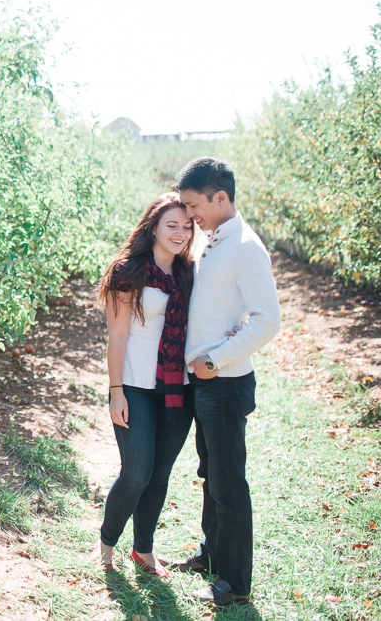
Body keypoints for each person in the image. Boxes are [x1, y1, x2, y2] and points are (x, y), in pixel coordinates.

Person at [171, 157, 281, 606]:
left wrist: (213, 361)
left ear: (221, 197)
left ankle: (234, 583)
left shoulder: (246, 247)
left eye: (194, 205)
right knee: (209, 473)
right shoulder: (215, 240)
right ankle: (212, 554)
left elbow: (268, 321)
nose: (189, 215)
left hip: (224, 382)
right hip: (205, 383)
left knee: (228, 481)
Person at [91, 192, 196, 577]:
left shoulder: (187, 273)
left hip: (176, 388)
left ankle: (144, 550)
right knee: (136, 473)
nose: (181, 233)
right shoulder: (128, 271)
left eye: (187, 226)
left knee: (160, 474)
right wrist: (115, 390)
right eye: (172, 225)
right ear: (153, 225)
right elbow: (117, 337)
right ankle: (106, 541)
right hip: (134, 386)